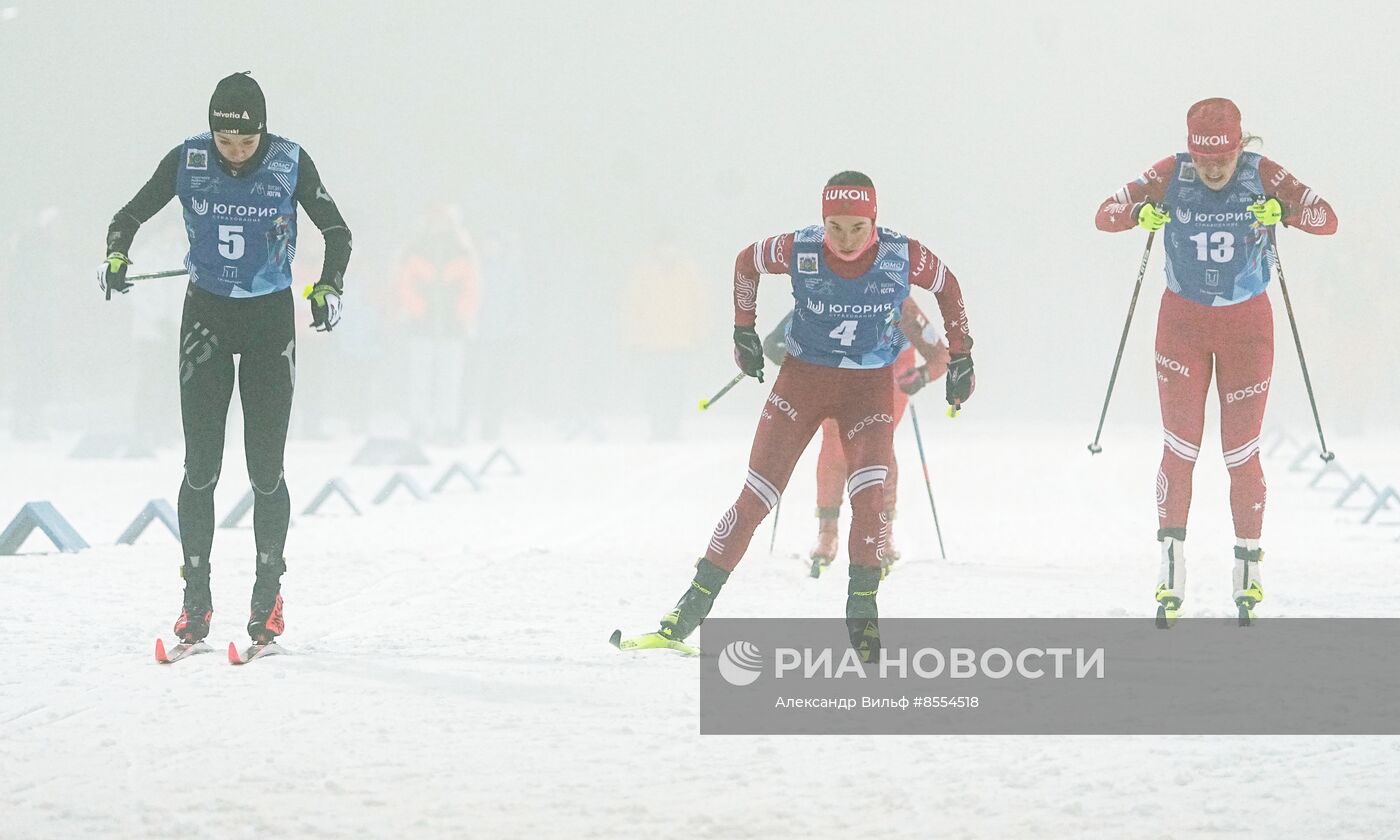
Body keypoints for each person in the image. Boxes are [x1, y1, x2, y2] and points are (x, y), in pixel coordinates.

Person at [618, 171, 976, 661]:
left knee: (870, 501)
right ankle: (682, 618)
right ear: (822, 220)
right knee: (755, 499)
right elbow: (746, 262)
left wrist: (960, 357)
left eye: (857, 227)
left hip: (869, 391)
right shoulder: (800, 249)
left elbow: (949, 287)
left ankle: (863, 629)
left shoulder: (902, 255)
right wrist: (744, 330)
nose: (846, 239)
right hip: (802, 385)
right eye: (835, 227)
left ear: (874, 220)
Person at [102, 72, 353, 647]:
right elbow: (128, 216)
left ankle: (267, 597)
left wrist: (328, 286)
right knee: (201, 467)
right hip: (208, 319)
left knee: (265, 469)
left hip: (268, 321)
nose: (236, 155)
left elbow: (337, 231)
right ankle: (196, 599)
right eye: (225, 142)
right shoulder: (188, 159)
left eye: (245, 143)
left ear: (262, 132)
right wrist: (116, 256)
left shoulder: (290, 161)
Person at [1094, 97, 1336, 626]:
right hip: (1180, 325)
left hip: (1247, 329)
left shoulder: (1260, 173)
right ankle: (1169, 569)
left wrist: (1286, 213)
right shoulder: (1170, 173)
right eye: (1204, 160)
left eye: (1222, 158)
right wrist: (1139, 213)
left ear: (1237, 145)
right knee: (1180, 448)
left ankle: (1247, 570)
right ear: (1190, 150)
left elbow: (1328, 218)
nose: (1213, 169)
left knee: (1239, 452)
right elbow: (1103, 213)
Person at [762, 301, 950, 578]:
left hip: (888, 374)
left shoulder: (899, 302)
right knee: (835, 437)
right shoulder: (827, 293)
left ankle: (881, 532)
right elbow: (773, 344)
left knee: (876, 438)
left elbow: (940, 356)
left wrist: (921, 376)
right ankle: (827, 532)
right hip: (836, 371)